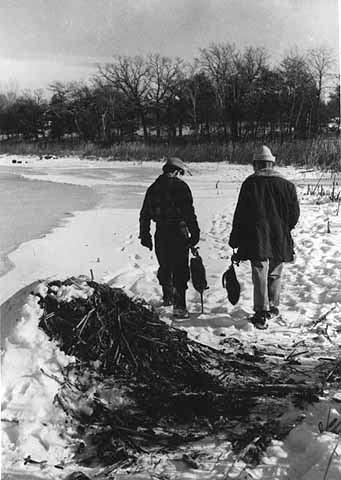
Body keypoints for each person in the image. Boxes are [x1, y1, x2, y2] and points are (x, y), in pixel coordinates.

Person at [229, 145, 300, 329]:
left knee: (260, 272)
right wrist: (285, 228)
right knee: (275, 272)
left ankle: (261, 311)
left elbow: (241, 214)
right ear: (271, 163)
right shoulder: (287, 185)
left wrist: (235, 238)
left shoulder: (250, 184)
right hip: (279, 235)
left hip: (256, 236)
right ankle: (273, 307)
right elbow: (294, 214)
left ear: (257, 164)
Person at [139, 157, 200, 318]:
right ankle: (179, 307)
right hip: (179, 233)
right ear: (176, 171)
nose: (181, 176)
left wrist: (145, 235)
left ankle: (168, 298)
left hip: (161, 233)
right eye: (181, 173)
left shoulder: (153, 188)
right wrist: (195, 232)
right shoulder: (181, 187)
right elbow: (189, 213)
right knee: (180, 269)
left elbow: (144, 215)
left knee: (165, 266)